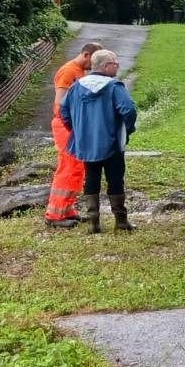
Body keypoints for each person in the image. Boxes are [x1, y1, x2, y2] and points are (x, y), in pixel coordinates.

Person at [60, 49, 138, 234]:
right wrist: (128, 129)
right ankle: (121, 221)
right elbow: (129, 110)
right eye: (114, 63)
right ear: (104, 66)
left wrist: (77, 131)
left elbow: (64, 111)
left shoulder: (77, 87)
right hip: (112, 142)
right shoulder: (114, 86)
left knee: (91, 178)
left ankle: (94, 222)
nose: (117, 66)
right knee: (116, 179)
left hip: (86, 143)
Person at [44, 41, 104, 228]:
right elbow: (60, 103)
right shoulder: (69, 71)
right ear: (86, 55)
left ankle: (67, 209)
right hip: (65, 126)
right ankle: (54, 215)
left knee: (77, 167)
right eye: (92, 61)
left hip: (72, 126)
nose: (93, 67)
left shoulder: (80, 72)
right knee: (68, 167)